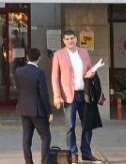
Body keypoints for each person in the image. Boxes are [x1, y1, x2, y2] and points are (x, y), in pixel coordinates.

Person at [51, 30, 96, 164]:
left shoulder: (84, 52)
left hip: (84, 93)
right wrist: (57, 95)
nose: (70, 41)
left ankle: (86, 153)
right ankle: (73, 154)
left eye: (72, 38)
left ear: (76, 39)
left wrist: (92, 73)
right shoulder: (59, 54)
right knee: (70, 126)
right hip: (69, 95)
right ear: (64, 41)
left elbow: (90, 69)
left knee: (88, 125)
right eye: (67, 39)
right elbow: (55, 77)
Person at [14, 48, 52, 164]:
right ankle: (44, 162)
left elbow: (18, 87)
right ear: (39, 58)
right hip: (37, 110)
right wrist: (49, 111)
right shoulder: (39, 72)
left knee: (26, 138)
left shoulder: (18, 71)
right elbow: (44, 94)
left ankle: (29, 162)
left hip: (23, 108)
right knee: (45, 136)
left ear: (27, 57)